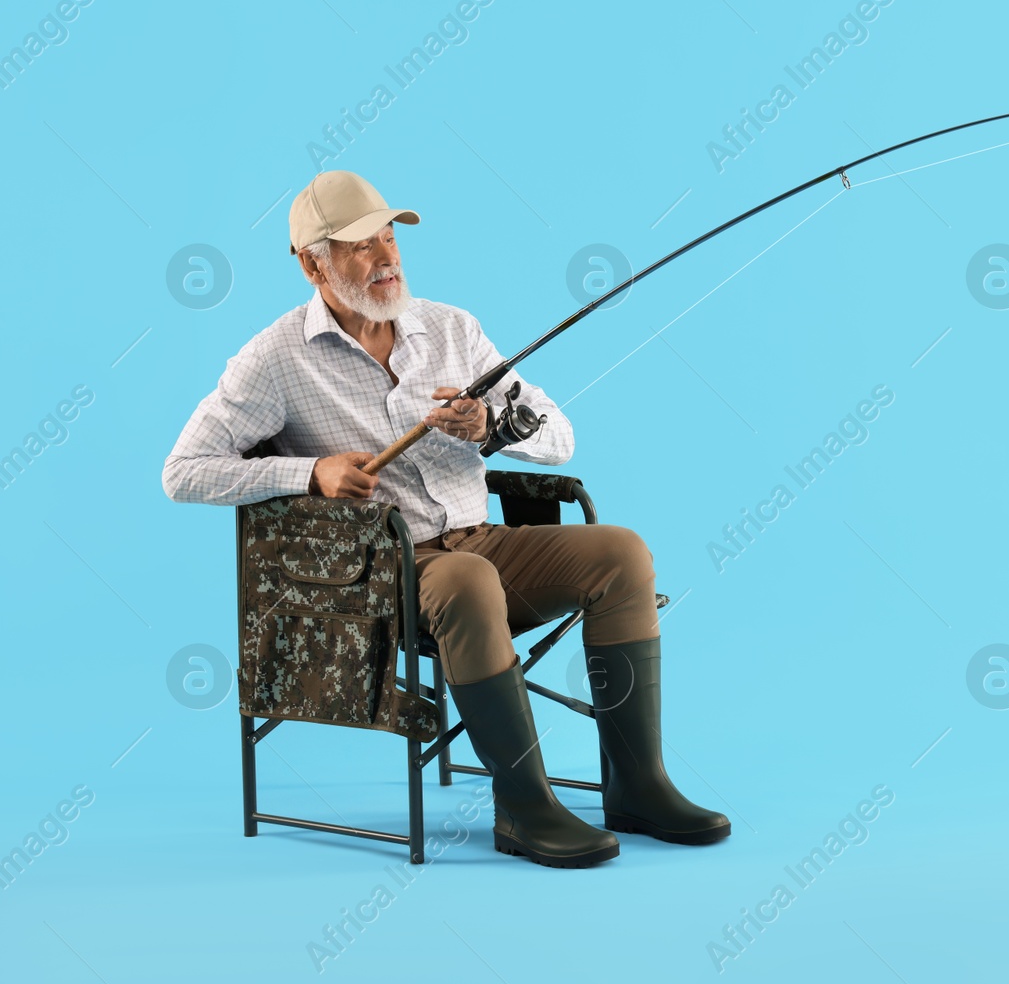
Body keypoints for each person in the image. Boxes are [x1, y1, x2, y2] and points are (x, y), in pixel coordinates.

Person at [161, 169, 728, 868]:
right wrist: (310, 472)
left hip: (483, 543)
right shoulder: (273, 359)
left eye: (388, 236)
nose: (385, 257)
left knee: (622, 552)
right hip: (382, 574)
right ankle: (525, 806)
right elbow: (183, 472)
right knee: (465, 580)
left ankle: (638, 784)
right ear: (312, 263)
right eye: (358, 246)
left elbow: (560, 435)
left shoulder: (453, 329)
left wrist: (488, 424)